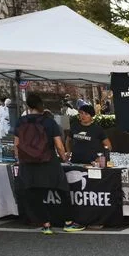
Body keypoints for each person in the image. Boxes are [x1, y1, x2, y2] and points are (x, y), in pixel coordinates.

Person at [14, 93, 85, 235]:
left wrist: (19, 159)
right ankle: (68, 222)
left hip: (28, 164)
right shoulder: (49, 122)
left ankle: (46, 225)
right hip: (48, 161)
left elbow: (16, 144)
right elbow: (58, 145)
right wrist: (64, 158)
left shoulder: (20, 122)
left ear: (29, 106)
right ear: (41, 105)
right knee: (63, 190)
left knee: (36, 195)